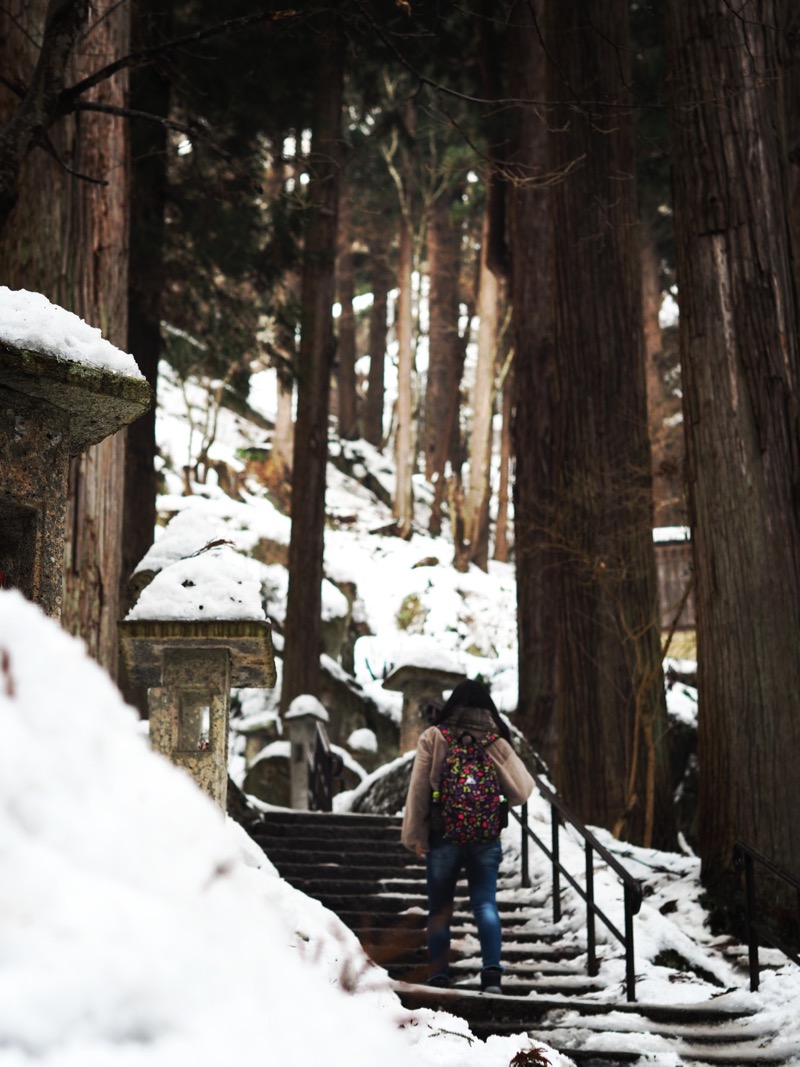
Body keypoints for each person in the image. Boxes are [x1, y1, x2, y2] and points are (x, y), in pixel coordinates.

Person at [401, 679, 534, 995]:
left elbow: (419, 790)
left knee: (439, 909)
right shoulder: (494, 741)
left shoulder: (434, 736)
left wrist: (415, 836)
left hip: (442, 835)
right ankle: (491, 976)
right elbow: (523, 790)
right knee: (485, 903)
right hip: (485, 838)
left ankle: (438, 975)